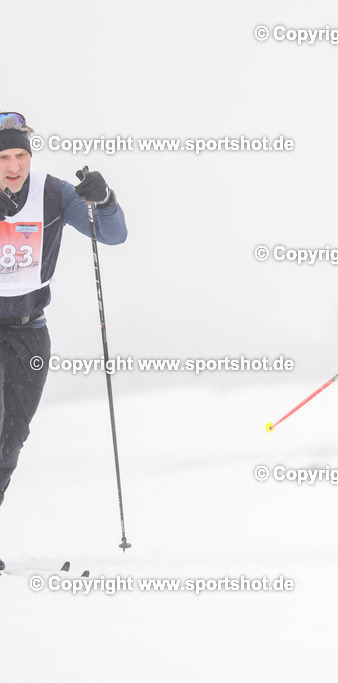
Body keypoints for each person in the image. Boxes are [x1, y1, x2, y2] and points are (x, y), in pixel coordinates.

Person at [0, 113, 128, 572]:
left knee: (9, 441)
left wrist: (104, 198)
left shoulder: (54, 194)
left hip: (30, 332)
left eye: (20, 155)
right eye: (4, 157)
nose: (13, 166)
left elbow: (113, 234)